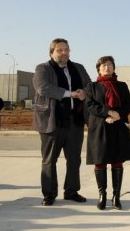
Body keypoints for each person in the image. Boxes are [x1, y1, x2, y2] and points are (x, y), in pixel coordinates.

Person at [33, 38, 91, 206]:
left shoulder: (78, 68)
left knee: (74, 159)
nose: (64, 53)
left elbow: (89, 86)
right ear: (51, 52)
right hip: (52, 122)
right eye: (59, 50)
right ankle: (49, 195)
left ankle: (71, 191)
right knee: (49, 160)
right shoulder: (42, 68)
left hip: (75, 121)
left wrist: (83, 92)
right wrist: (70, 93)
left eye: (66, 49)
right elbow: (43, 88)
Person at [84, 56, 130, 210]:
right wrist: (108, 113)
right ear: (98, 69)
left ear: (114, 68)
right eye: (104, 65)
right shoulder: (91, 87)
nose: (107, 67)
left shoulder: (122, 85)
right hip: (100, 127)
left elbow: (129, 104)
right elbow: (90, 105)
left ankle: (116, 196)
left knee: (117, 160)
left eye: (110, 65)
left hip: (118, 126)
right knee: (100, 160)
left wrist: (118, 115)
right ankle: (102, 196)